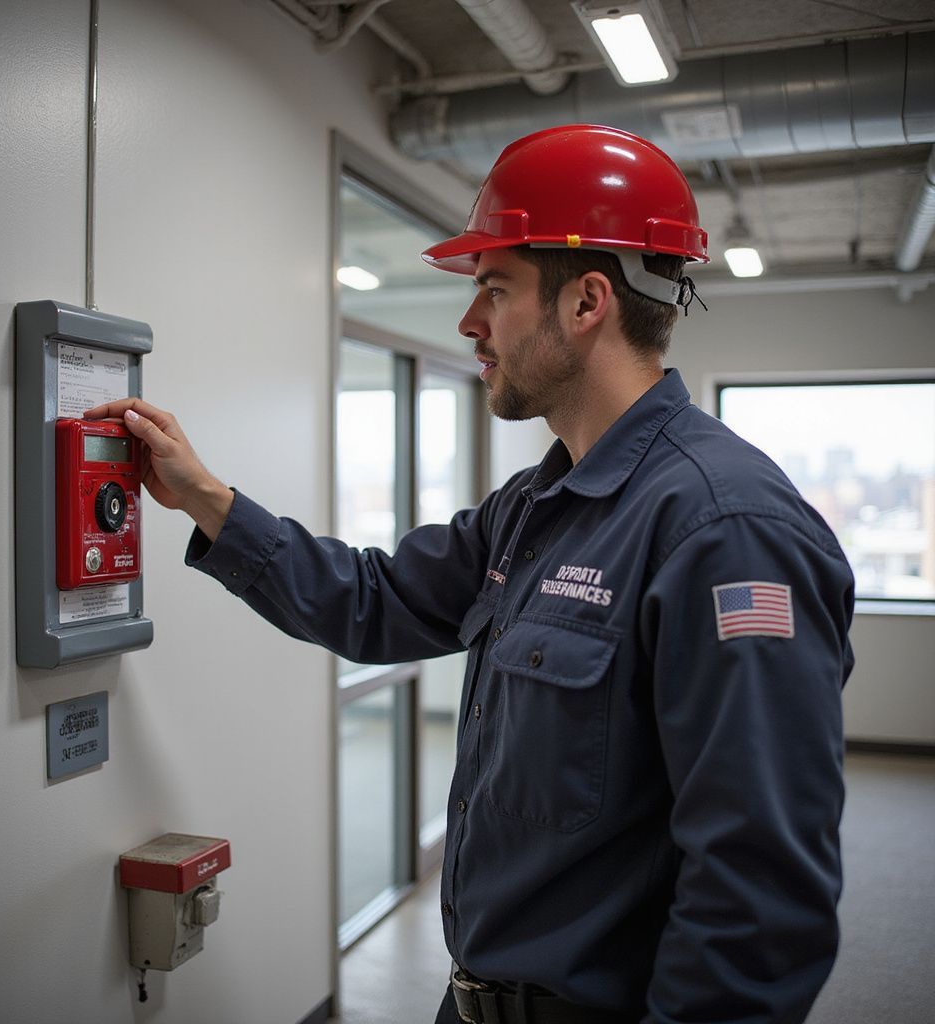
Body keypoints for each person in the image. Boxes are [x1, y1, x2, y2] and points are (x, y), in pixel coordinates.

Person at [86, 125, 854, 1024]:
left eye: (494, 288)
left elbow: (756, 900)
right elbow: (373, 601)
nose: (468, 321)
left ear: (587, 302)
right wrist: (206, 498)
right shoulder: (535, 507)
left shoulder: (726, 532)